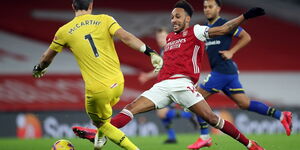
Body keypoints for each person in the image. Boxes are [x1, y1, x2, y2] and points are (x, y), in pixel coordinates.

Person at [72, 0, 266, 149]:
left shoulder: (196, 31)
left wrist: (245, 16)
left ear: (187, 19)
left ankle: (250, 144)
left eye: (178, 17)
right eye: (172, 17)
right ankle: (98, 133)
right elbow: (171, 60)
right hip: (162, 86)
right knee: (131, 108)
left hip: (183, 85)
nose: (174, 20)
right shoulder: (169, 38)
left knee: (212, 119)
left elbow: (224, 29)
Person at [32, 0, 163, 150]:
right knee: (104, 118)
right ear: (91, 5)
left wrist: (38, 69)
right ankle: (98, 141)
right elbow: (126, 37)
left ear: (73, 7)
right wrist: (150, 53)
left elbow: (46, 58)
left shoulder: (64, 31)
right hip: (118, 83)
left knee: (101, 123)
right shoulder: (105, 19)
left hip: (97, 90)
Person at [186, 0, 293, 149]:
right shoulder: (206, 28)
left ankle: (204, 137)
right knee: (244, 103)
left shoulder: (225, 24)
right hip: (227, 71)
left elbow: (246, 37)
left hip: (222, 71)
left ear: (218, 8)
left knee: (194, 99)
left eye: (210, 6)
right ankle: (281, 115)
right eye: (205, 7)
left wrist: (231, 51)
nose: (207, 10)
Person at [139, 27, 198, 144]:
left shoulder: (171, 49)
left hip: (173, 85)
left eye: (162, 37)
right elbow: (161, 68)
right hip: (165, 85)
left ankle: (188, 116)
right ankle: (172, 136)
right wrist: (148, 76)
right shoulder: (163, 50)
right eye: (158, 37)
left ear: (169, 36)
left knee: (162, 112)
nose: (160, 39)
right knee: (161, 113)